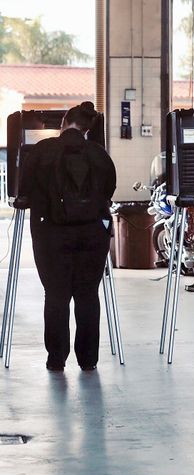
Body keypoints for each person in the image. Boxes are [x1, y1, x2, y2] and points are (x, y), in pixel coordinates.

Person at [18, 101, 116, 372]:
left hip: (51, 235)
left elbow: (22, 190)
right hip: (93, 235)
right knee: (87, 295)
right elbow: (109, 190)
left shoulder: (41, 151)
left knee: (56, 295)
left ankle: (56, 359)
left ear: (63, 123)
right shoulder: (99, 154)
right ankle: (88, 361)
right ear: (87, 128)